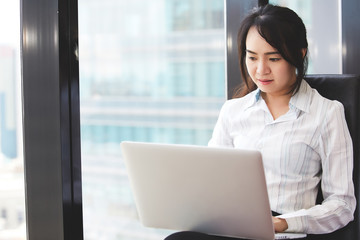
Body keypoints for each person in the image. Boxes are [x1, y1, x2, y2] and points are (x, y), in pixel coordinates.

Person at [165, 4, 356, 240]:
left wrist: (282, 223)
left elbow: (342, 205)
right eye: (252, 57)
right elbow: (211, 181)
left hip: (284, 232)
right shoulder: (233, 111)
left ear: (300, 53)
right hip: (234, 228)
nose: (260, 70)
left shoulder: (326, 113)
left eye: (273, 58)